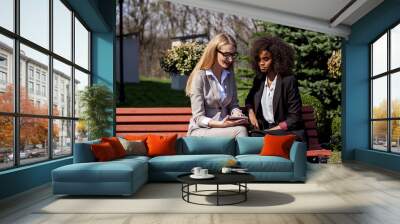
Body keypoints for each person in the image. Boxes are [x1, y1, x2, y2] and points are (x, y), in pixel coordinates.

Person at [186, 33, 248, 137]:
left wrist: (236, 113)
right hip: (201, 130)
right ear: (214, 52)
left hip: (225, 128)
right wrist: (221, 124)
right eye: (226, 54)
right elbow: (198, 118)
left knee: (244, 129)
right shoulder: (200, 76)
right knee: (241, 131)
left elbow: (233, 104)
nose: (230, 59)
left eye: (232, 55)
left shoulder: (229, 75)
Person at [245, 35, 304, 140]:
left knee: (258, 137)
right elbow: (249, 100)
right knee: (252, 135)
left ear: (277, 59)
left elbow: (294, 117)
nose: (261, 63)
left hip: (286, 131)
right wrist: (251, 113)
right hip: (266, 131)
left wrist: (273, 130)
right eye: (259, 59)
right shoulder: (259, 80)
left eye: (266, 59)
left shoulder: (288, 80)